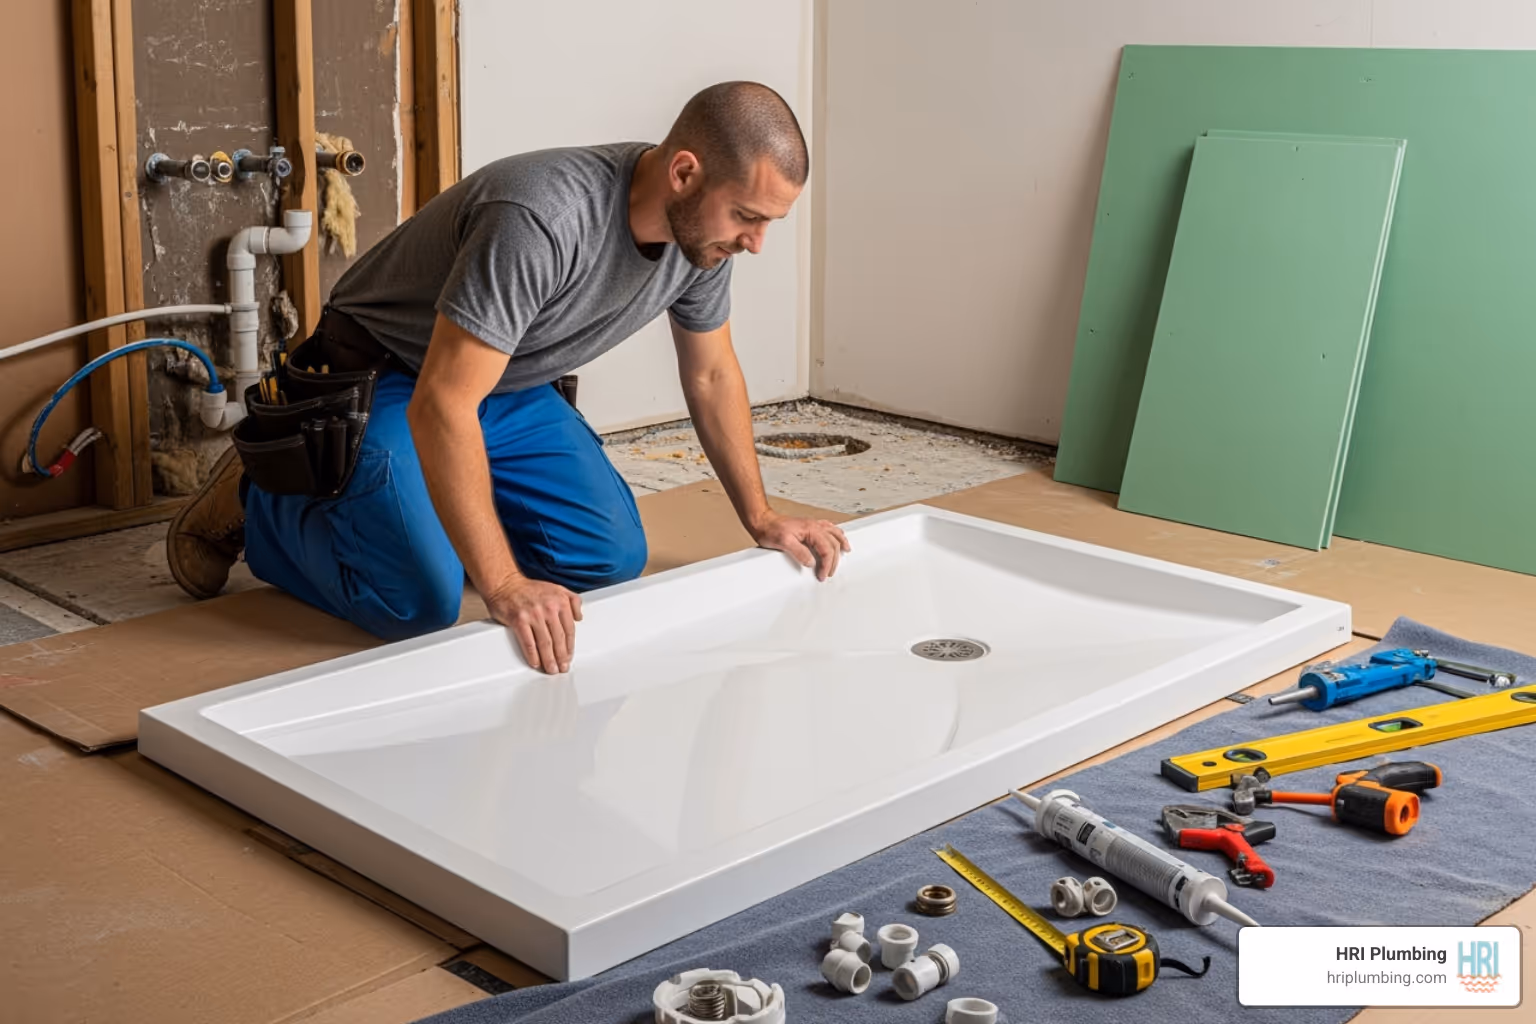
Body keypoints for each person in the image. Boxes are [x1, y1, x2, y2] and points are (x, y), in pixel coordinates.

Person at [166, 81, 849, 675]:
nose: (755, 242)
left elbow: (711, 374)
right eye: (748, 217)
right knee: (420, 603)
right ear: (685, 173)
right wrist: (502, 585)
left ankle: (429, 512)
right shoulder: (542, 217)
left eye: (768, 223)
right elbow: (441, 402)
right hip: (388, 378)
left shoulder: (703, 242)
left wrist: (761, 517)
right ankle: (262, 500)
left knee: (610, 560)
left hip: (505, 384)